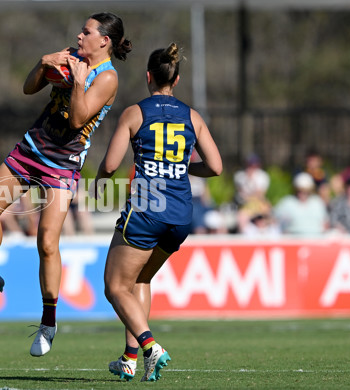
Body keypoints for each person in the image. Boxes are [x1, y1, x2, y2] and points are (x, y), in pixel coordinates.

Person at [0, 12, 132, 357]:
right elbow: (29, 87)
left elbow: (80, 118)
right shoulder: (71, 55)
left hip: (62, 165)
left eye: (86, 32)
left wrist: (78, 80)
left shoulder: (107, 77)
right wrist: (43, 62)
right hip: (30, 151)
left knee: (47, 242)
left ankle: (48, 322)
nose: (79, 36)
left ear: (104, 41)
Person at [92, 43, 222, 381]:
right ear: (175, 79)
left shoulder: (135, 113)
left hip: (149, 206)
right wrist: (183, 168)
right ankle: (130, 358)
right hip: (181, 214)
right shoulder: (192, 116)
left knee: (114, 286)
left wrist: (97, 184)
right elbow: (217, 166)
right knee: (141, 278)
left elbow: (109, 164)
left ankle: (151, 346)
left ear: (148, 76)